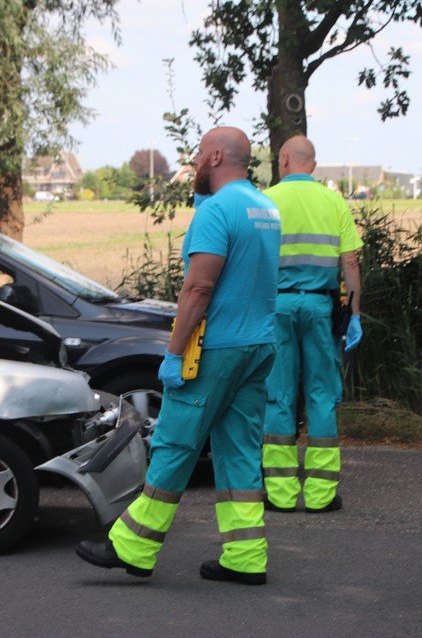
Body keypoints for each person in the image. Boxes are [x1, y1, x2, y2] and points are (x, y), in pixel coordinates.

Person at [76, 126, 281, 586]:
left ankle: (133, 546)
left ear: (212, 157)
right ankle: (246, 557)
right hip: (258, 346)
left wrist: (173, 353)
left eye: (195, 158)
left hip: (216, 349)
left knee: (174, 443)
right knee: (239, 451)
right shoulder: (266, 208)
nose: (191, 166)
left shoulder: (218, 212)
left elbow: (199, 287)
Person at [261, 135, 363, 515]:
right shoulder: (333, 200)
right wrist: (354, 315)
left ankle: (280, 493)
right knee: (322, 394)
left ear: (284, 159)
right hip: (321, 308)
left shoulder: (266, 201)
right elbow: (350, 262)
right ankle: (321, 495)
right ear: (314, 166)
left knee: (278, 394)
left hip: (277, 306)